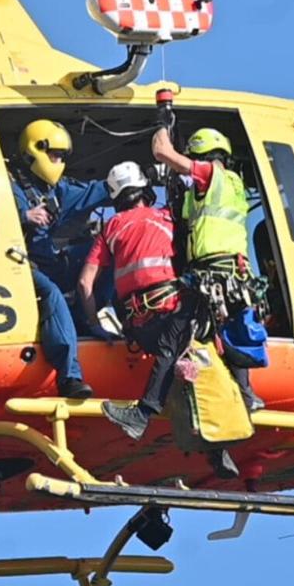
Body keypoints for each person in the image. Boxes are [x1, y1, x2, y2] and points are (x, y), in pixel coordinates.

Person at [77, 162, 198, 443]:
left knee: (171, 345)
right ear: (145, 188)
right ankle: (146, 414)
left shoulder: (111, 228)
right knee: (180, 339)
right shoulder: (168, 218)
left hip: (139, 326)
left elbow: (84, 283)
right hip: (172, 313)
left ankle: (146, 416)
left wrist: (96, 324)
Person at [152, 124, 264, 415]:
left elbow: (162, 152)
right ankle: (247, 397)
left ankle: (150, 407)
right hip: (227, 270)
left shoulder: (213, 176)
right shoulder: (230, 185)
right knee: (225, 335)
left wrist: (162, 125)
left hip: (215, 271)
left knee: (178, 336)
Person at [10, 119, 110, 398]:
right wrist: (23, 217)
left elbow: (90, 193)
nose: (58, 161)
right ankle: (69, 376)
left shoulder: (54, 188)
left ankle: (92, 322)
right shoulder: (5, 184)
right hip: (18, 265)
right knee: (52, 293)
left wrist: (128, 182)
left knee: (105, 256)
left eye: (62, 156)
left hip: (50, 261)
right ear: (36, 150)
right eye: (54, 154)